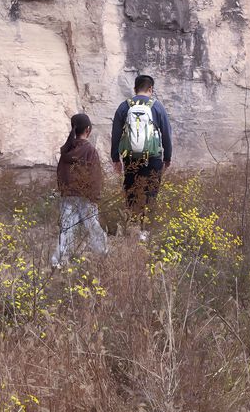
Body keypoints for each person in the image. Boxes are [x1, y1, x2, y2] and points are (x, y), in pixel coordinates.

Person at [111, 74, 172, 227]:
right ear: (151, 88)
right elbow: (166, 134)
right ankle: (146, 231)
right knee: (150, 194)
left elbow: (116, 135)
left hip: (131, 158)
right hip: (153, 158)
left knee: (131, 192)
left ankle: (131, 227)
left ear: (135, 89)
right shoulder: (158, 107)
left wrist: (115, 159)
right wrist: (167, 158)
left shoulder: (124, 107)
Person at [51, 112, 108, 267]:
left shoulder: (66, 151)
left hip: (68, 196)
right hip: (86, 197)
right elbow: (95, 177)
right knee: (93, 226)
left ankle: (59, 262)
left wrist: (64, 191)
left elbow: (60, 173)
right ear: (88, 129)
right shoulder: (90, 151)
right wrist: (95, 196)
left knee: (66, 229)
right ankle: (103, 255)